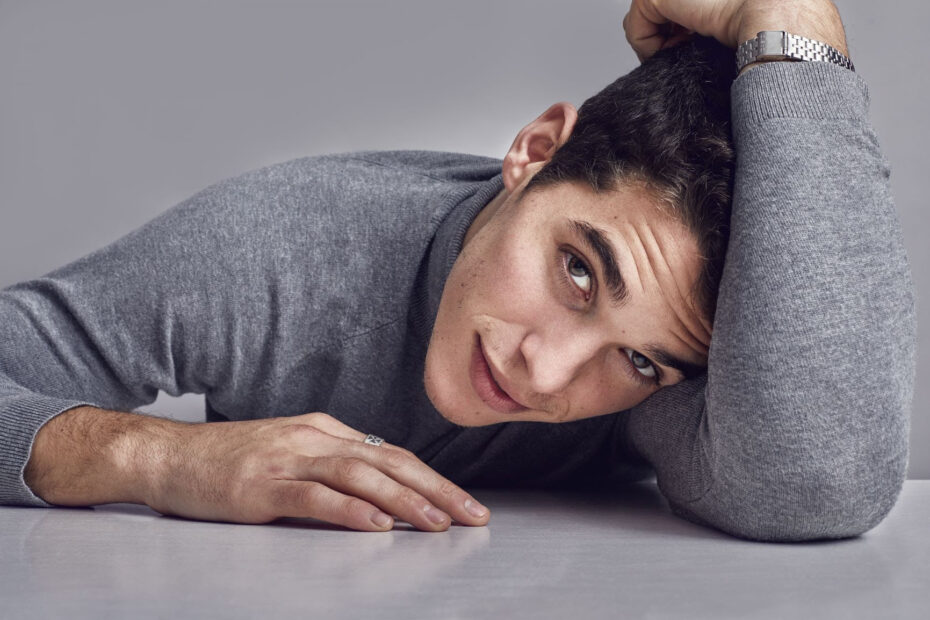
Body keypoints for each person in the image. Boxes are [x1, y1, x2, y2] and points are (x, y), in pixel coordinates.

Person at [0, 0, 916, 542]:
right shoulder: (279, 250)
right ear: (535, 151)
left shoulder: (667, 383)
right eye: (578, 272)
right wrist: (158, 458)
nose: (547, 376)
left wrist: (795, 31)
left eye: (639, 359)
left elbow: (821, 482)